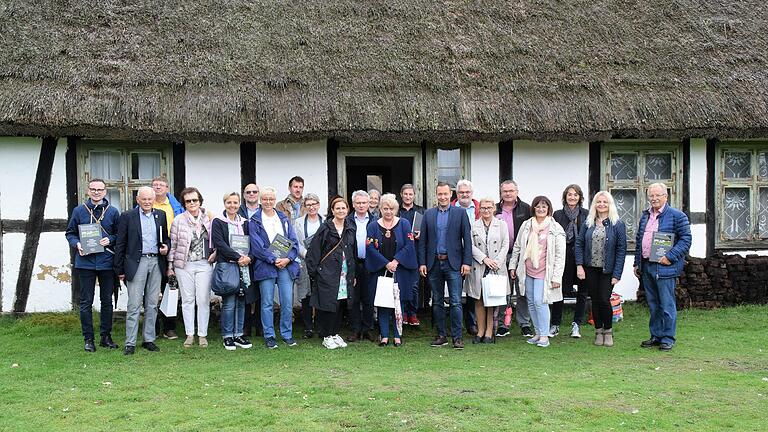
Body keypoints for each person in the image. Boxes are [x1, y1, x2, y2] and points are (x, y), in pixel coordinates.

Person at [634, 182, 691, 352]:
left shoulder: (677, 216)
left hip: (665, 266)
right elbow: (639, 240)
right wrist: (637, 262)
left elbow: (686, 240)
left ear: (666, 196)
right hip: (647, 265)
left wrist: (670, 257)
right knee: (653, 304)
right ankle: (656, 335)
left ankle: (668, 338)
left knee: (666, 304)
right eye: (651, 195)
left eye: (658, 195)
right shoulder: (645, 216)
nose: (654, 198)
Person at [65, 178, 120, 352]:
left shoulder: (113, 212)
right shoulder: (79, 210)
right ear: (88, 191)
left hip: (106, 262)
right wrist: (78, 244)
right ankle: (88, 339)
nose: (96, 192)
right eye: (93, 189)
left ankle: (106, 336)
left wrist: (109, 239)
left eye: (100, 189)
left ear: (105, 192)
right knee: (86, 302)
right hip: (86, 262)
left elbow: (119, 235)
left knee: (107, 302)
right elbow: (70, 233)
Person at [114, 186, 170, 355]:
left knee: (152, 304)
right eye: (143, 199)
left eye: (149, 199)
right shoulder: (127, 217)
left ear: (154, 200)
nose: (147, 202)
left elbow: (166, 238)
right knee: (134, 305)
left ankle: (149, 339)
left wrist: (166, 246)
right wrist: (120, 269)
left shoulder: (160, 215)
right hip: (136, 263)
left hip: (156, 261)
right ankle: (130, 343)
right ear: (137, 200)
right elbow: (120, 243)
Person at [418, 182, 472, 350]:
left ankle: (457, 337)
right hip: (434, 263)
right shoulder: (428, 214)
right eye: (439, 194)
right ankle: (441, 335)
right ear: (436, 195)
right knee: (437, 301)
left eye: (445, 194)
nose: (442, 197)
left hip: (454, 263)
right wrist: (422, 263)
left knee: (456, 302)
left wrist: (466, 262)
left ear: (451, 195)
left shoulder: (460, 214)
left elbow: (467, 240)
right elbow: (423, 242)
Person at [508, 196, 566, 348]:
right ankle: (538, 332)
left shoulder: (555, 228)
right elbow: (518, 247)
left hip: (544, 272)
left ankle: (545, 335)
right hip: (528, 270)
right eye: (538, 206)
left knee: (541, 302)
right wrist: (513, 266)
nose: (541, 209)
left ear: (549, 209)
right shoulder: (527, 225)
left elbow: (560, 255)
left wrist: (556, 277)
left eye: (544, 207)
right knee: (531, 302)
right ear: (533, 208)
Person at [249, 186, 301, 349]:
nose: (268, 202)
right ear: (260, 200)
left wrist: (288, 259)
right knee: (267, 303)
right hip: (266, 265)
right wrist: (273, 259)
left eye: (271, 199)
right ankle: (269, 335)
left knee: (287, 301)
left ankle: (287, 334)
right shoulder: (255, 220)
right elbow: (257, 247)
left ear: (275, 199)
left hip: (285, 265)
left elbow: (293, 242)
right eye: (265, 199)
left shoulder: (283, 218)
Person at [575, 191, 627, 347]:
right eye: (599, 202)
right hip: (590, 268)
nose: (602, 204)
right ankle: (598, 331)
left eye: (605, 202)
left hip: (608, 270)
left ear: (609, 204)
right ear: (594, 205)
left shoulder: (617, 224)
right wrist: (579, 266)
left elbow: (621, 249)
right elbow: (579, 244)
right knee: (595, 300)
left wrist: (617, 273)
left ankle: (608, 331)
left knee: (604, 299)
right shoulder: (588, 222)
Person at [365, 194, 417, 347]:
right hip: (380, 270)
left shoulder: (404, 224)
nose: (388, 211)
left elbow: (409, 244)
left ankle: (398, 335)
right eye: (385, 208)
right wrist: (386, 263)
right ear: (380, 209)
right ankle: (384, 335)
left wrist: (396, 261)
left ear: (396, 209)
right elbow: (370, 248)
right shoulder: (373, 226)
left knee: (397, 302)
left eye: (391, 209)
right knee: (383, 303)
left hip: (399, 269)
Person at [305, 196, 357, 350]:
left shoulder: (350, 227)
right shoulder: (325, 228)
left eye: (343, 208)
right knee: (327, 305)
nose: (341, 211)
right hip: (327, 273)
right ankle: (326, 335)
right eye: (338, 208)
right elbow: (313, 252)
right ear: (332, 211)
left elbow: (352, 253)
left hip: (344, 272)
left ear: (347, 210)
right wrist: (315, 273)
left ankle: (335, 333)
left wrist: (353, 275)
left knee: (340, 303)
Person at [167, 187, 215, 348]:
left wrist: (215, 253)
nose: (192, 203)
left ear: (200, 201)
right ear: (184, 203)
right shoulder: (178, 220)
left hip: (204, 263)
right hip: (184, 264)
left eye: (195, 200)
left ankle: (202, 334)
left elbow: (216, 240)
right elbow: (173, 245)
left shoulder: (209, 218)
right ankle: (189, 334)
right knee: (187, 300)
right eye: (188, 201)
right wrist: (170, 265)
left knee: (203, 299)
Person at [211, 192, 255, 351]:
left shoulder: (245, 223)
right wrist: (238, 257)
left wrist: (249, 257)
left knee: (242, 301)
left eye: (235, 203)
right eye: (229, 202)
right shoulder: (218, 222)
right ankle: (227, 336)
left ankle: (238, 334)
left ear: (239, 204)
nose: (232, 206)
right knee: (229, 302)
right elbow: (220, 244)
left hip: (244, 266)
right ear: (224, 203)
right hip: (228, 265)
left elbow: (252, 242)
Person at [466, 197, 510, 344]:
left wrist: (496, 261)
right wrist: (484, 258)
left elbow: (505, 244)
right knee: (478, 299)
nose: (486, 210)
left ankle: (490, 332)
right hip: (479, 265)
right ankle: (480, 331)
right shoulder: (473, 225)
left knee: (491, 299)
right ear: (479, 209)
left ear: (494, 209)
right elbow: (469, 245)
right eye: (483, 208)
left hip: (495, 267)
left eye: (489, 208)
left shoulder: (501, 225)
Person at [495, 180, 533, 338]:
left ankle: (524, 323)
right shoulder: (495, 209)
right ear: (501, 192)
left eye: (511, 191)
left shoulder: (526, 208)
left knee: (522, 289)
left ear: (517, 191)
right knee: (503, 290)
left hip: (521, 254)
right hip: (500, 254)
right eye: (505, 191)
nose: (508, 194)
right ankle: (504, 323)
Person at [551, 184, 590, 338]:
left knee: (582, 292)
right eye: (569, 194)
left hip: (582, 259)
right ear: (565, 197)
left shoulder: (586, 214)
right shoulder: (558, 214)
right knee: (558, 291)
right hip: (563, 259)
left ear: (580, 197)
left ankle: (576, 324)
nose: (572, 197)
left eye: (575, 195)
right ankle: (555, 324)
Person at [151, 176, 184, 340]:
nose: (157, 188)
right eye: (155, 185)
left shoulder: (175, 206)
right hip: (151, 248)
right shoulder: (146, 203)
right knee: (151, 291)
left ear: (167, 188)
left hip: (171, 247)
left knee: (170, 289)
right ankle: (154, 328)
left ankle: (169, 328)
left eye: (161, 185)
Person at [293, 193, 324, 339]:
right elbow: (295, 242)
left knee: (320, 293)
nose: (311, 207)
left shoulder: (325, 221)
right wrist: (307, 255)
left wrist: (319, 257)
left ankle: (319, 325)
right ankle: (308, 327)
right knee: (306, 294)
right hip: (305, 261)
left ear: (318, 205)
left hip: (322, 262)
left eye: (314, 204)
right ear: (304, 207)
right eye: (308, 205)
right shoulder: (298, 222)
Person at [347, 190, 376, 342]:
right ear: (353, 204)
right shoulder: (347, 221)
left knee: (369, 297)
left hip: (370, 264)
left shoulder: (375, 220)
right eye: (358, 203)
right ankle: (355, 329)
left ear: (368, 203)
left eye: (364, 202)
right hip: (353, 263)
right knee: (353, 298)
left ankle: (368, 329)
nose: (361, 205)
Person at [453, 179, 481, 336]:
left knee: (473, 290)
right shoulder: (450, 208)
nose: (464, 195)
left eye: (467, 192)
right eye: (461, 192)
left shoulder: (478, 208)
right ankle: (454, 324)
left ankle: (472, 323)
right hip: (455, 254)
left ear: (472, 193)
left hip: (476, 254)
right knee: (455, 291)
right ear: (457, 194)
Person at [237, 183, 262, 338]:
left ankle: (259, 325)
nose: (251, 194)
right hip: (243, 256)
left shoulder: (265, 210)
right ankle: (245, 326)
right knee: (245, 291)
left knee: (262, 292)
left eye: (254, 191)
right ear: (244, 195)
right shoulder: (237, 210)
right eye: (248, 192)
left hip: (261, 256)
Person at [398, 183, 425, 326]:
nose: (408, 197)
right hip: (400, 254)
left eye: (411, 194)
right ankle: (402, 313)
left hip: (415, 253)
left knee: (414, 286)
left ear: (414, 195)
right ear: (401, 195)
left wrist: (422, 234)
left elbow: (428, 232)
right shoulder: (396, 211)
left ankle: (412, 314)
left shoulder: (421, 211)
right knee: (401, 285)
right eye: (405, 194)